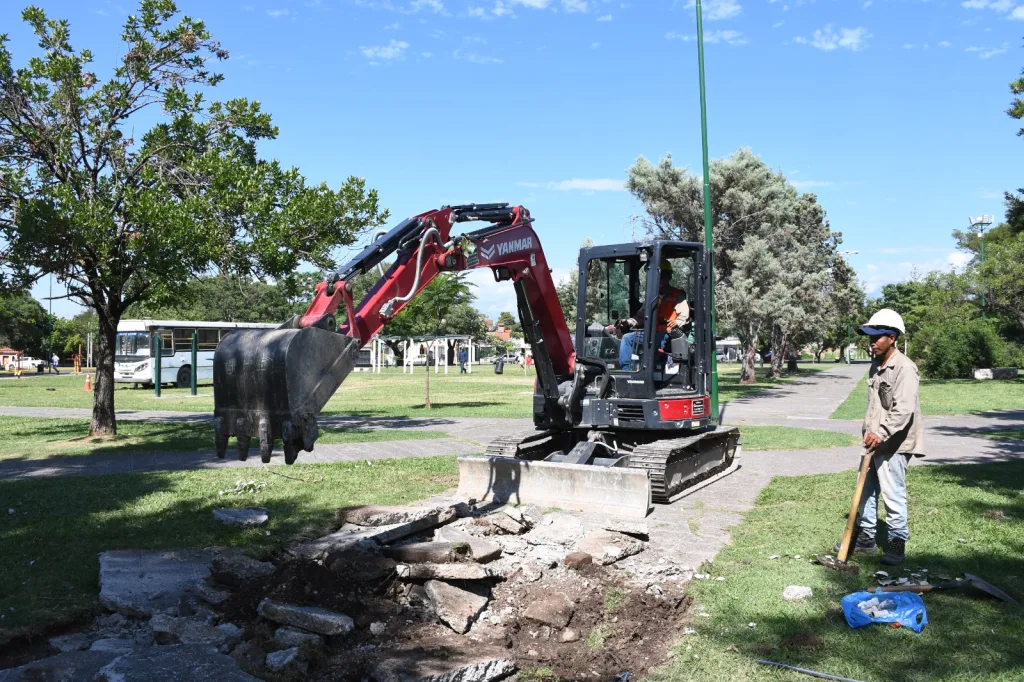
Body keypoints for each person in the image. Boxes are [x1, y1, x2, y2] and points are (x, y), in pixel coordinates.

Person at [833, 308, 924, 566]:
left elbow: (903, 409)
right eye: (870, 337)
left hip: (894, 443)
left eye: (877, 337)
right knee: (865, 493)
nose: (872, 342)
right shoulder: (876, 365)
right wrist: (870, 434)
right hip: (872, 442)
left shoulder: (905, 368)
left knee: (893, 495)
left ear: (892, 338)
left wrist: (881, 433)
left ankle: (896, 545)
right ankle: (866, 539)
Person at [617, 260, 689, 371]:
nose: (659, 280)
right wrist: (628, 322)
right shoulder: (651, 297)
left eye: (662, 276)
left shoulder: (677, 295)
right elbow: (640, 317)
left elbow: (684, 316)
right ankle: (627, 371)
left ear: (669, 277)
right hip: (650, 333)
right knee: (627, 338)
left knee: (655, 343)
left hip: (667, 333)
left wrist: (677, 322)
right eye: (657, 276)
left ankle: (650, 370)